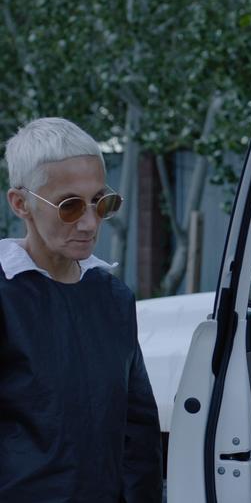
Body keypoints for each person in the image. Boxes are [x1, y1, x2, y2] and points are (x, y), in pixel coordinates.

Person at [0, 117, 162, 502]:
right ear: (21, 203)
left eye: (101, 202)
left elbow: (137, 428)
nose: (90, 223)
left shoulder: (113, 297)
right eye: (70, 206)